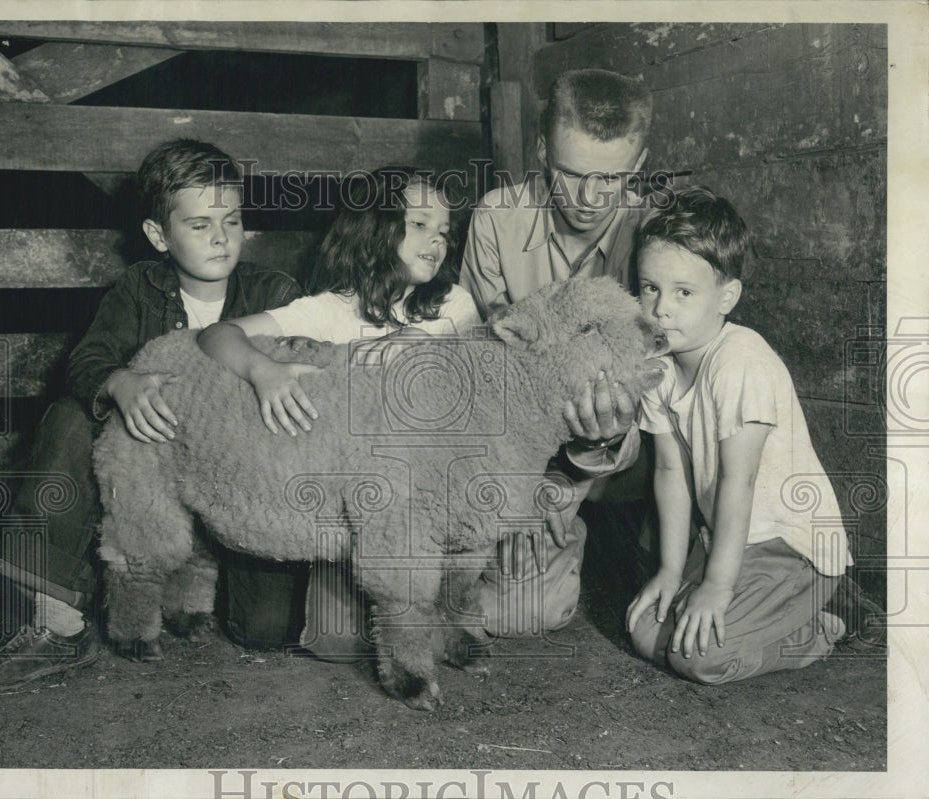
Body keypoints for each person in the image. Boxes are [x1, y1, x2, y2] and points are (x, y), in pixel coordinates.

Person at [0, 139, 304, 691]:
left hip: (236, 487)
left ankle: (191, 572)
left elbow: (308, 381)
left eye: (232, 220)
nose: (220, 237)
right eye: (199, 225)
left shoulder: (275, 293)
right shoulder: (139, 288)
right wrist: (120, 381)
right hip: (151, 476)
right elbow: (87, 359)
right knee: (72, 416)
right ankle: (57, 621)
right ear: (159, 236)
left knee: (265, 629)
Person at [198, 168, 482, 659]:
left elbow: (440, 367)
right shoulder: (330, 309)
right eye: (419, 224)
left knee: (409, 618)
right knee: (321, 640)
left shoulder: (453, 306)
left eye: (444, 231)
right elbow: (214, 336)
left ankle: (444, 594)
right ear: (374, 225)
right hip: (346, 506)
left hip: (427, 496)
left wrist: (352, 359)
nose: (437, 239)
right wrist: (263, 368)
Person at [625, 186, 885, 684]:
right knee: (643, 632)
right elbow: (667, 470)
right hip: (730, 537)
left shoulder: (740, 360)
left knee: (695, 658)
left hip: (791, 546)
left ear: (727, 296)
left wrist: (717, 587)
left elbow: (736, 483)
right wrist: (671, 572)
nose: (660, 309)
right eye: (649, 287)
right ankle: (762, 611)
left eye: (684, 292)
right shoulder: (657, 364)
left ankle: (818, 627)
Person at [459, 68, 655, 636]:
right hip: (522, 445)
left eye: (612, 180)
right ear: (542, 149)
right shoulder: (497, 218)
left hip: (624, 454)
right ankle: (552, 537)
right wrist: (519, 492)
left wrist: (591, 452)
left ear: (638, 166)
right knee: (513, 613)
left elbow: (661, 392)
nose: (590, 201)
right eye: (570, 175)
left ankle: (605, 534)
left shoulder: (654, 232)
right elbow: (486, 370)